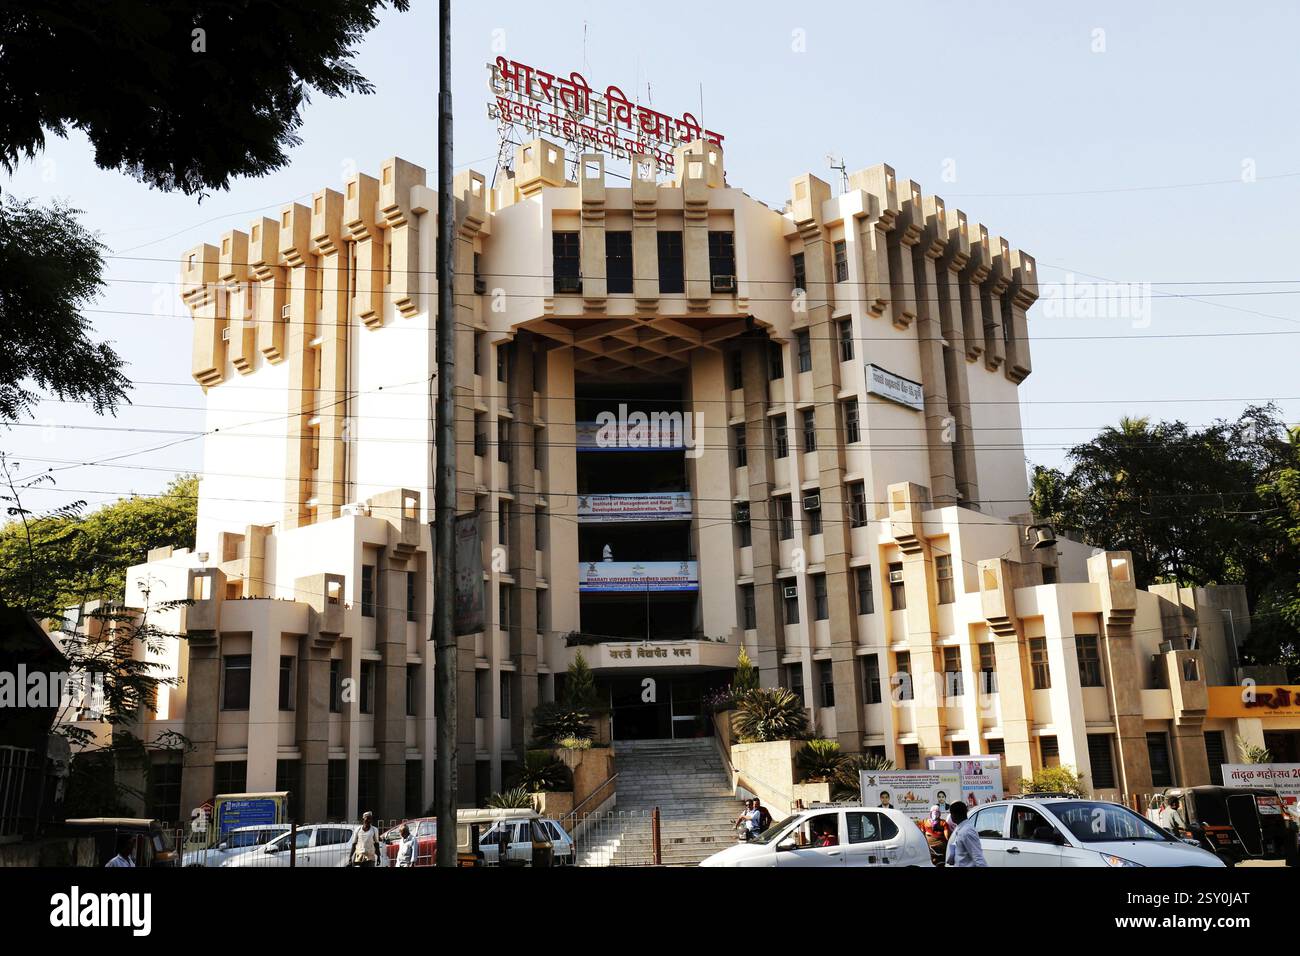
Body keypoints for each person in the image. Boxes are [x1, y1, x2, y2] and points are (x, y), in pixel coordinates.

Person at [944, 800, 987, 867]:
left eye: (951, 814)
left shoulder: (967, 831)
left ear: (955, 815)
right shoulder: (960, 829)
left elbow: (978, 857)